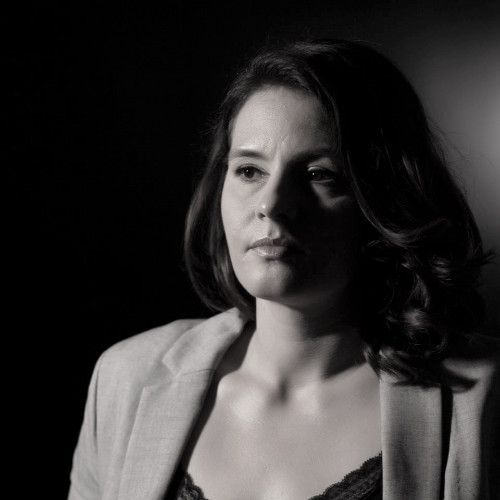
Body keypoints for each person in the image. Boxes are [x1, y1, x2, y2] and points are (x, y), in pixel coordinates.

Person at [68, 39, 499, 500]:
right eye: (249, 171)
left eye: (318, 174)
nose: (272, 204)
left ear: (385, 200)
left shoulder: (485, 400)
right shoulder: (126, 377)